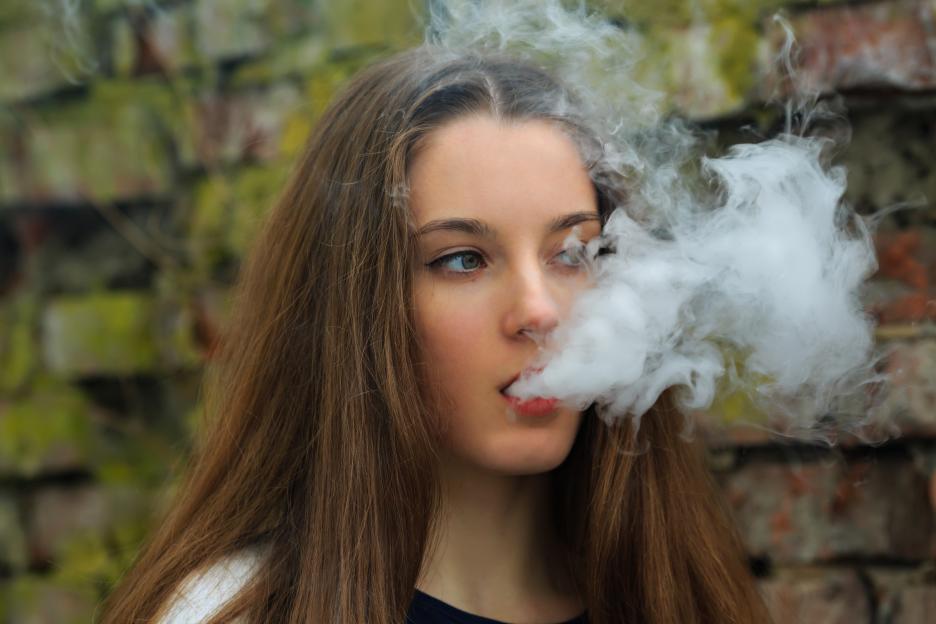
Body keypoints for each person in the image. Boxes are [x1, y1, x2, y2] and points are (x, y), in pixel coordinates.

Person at [99, 46, 771, 624]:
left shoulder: (679, 595)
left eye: (572, 255)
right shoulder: (234, 613)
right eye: (462, 260)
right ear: (358, 307)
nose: (539, 312)